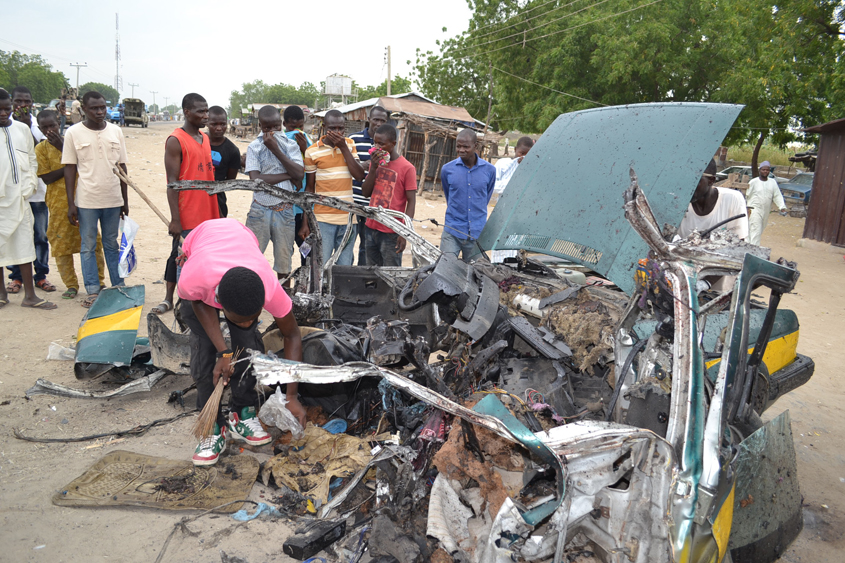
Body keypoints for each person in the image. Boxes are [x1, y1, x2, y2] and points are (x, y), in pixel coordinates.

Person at [177, 218, 305, 466]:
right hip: (202, 246)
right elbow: (198, 303)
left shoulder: (268, 286)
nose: (247, 322)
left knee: (249, 347)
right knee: (203, 356)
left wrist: (292, 395)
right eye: (239, 319)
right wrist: (224, 353)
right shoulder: (194, 280)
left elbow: (292, 335)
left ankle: (242, 411)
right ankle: (212, 427)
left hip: (241, 241)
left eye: (253, 318)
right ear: (221, 305)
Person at [153, 93, 220, 316]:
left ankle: (201, 301)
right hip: (187, 213)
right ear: (187, 112)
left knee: (204, 258)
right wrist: (175, 219)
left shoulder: (205, 138)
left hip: (208, 211)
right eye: (200, 111)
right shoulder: (176, 140)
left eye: (207, 110)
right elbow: (172, 184)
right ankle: (176, 303)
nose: (206, 115)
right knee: (180, 257)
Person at [62, 90, 129, 307]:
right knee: (88, 246)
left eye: (103, 107)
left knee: (111, 243)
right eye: (94, 108)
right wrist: (71, 203)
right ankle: (92, 290)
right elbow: (70, 169)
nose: (100, 112)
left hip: (112, 199)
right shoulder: (73, 133)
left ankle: (118, 285)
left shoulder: (116, 131)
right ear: (83, 109)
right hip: (87, 201)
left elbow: (122, 167)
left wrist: (124, 200)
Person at [34, 110, 106, 299]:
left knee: (92, 242)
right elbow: (47, 177)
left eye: (52, 125)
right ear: (40, 129)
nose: (50, 130)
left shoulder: (72, 141)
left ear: (59, 123)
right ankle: (71, 285)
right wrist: (69, 166)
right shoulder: (40, 149)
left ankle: (99, 281)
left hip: (84, 199)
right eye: (45, 127)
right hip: (58, 204)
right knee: (61, 245)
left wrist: (62, 149)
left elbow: (87, 165)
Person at [0, 88, 57, 310]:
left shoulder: (22, 129)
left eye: (6, 109)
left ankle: (30, 296)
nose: (4, 114)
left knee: (25, 244)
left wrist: (29, 186)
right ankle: (2, 294)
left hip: (21, 198)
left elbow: (32, 161)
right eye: (0, 110)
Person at [244, 105, 305, 281]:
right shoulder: (254, 147)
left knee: (284, 262)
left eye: (276, 127)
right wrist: (288, 175)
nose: (272, 132)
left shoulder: (290, 145)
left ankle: (283, 301)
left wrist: (276, 150)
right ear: (260, 126)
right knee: (251, 258)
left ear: (281, 124)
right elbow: (256, 181)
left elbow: (299, 174)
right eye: (267, 128)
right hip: (259, 210)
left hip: (285, 211)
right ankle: (251, 297)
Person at [300, 110, 365, 266]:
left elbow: (358, 175)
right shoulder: (312, 151)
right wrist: (305, 222)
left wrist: (343, 147)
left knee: (344, 266)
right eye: (333, 128)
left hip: (348, 219)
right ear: (324, 127)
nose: (337, 132)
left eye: (341, 128)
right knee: (321, 265)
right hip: (322, 219)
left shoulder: (349, 144)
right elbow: (309, 188)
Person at [677, 159, 749, 291]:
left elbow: (736, 250)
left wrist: (706, 283)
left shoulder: (732, 200)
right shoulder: (678, 204)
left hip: (721, 280)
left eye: (696, 180)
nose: (689, 186)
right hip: (686, 280)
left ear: (711, 181)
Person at [361, 124, 417, 266]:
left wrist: (404, 233)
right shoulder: (376, 164)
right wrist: (373, 168)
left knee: (391, 275)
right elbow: (365, 193)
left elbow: (411, 202)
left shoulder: (407, 168)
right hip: (371, 226)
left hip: (392, 231)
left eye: (382, 144)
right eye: (375, 143)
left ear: (393, 144)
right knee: (371, 273)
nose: (377, 147)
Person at [439, 129, 497, 262]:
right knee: (445, 268)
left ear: (475, 146)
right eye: (458, 146)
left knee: (478, 273)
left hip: (477, 233)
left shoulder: (489, 170)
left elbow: (485, 197)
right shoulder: (447, 170)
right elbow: (449, 196)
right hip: (452, 230)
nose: (461, 150)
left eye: (466, 146)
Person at [350, 106, 390, 264]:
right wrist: (363, 164)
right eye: (376, 119)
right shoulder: (354, 138)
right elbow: (348, 164)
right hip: (352, 201)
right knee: (347, 243)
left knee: (366, 246)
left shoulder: (387, 144)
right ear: (369, 119)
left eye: (383, 120)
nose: (379, 123)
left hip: (373, 203)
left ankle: (361, 279)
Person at [283, 105, 313, 268]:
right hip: (285, 208)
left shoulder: (308, 141)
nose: (297, 132)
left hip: (304, 209)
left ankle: (306, 280)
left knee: (307, 249)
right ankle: (286, 284)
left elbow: (315, 168)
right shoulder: (280, 141)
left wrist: (305, 149)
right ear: (284, 124)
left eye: (300, 127)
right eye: (292, 127)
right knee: (285, 250)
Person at [207, 106, 241, 218]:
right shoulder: (197, 141)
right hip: (194, 198)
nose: (219, 128)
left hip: (218, 201)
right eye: (214, 124)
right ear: (207, 122)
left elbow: (230, 181)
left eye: (222, 124)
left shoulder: (232, 151)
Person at [746, 161, 787, 246]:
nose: (765, 171)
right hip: (754, 209)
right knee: (755, 229)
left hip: (766, 210)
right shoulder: (753, 182)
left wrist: (781, 207)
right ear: (760, 170)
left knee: (759, 230)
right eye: (763, 169)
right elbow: (747, 194)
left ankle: (748, 246)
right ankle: (754, 250)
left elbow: (777, 195)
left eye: (767, 170)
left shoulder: (772, 182)